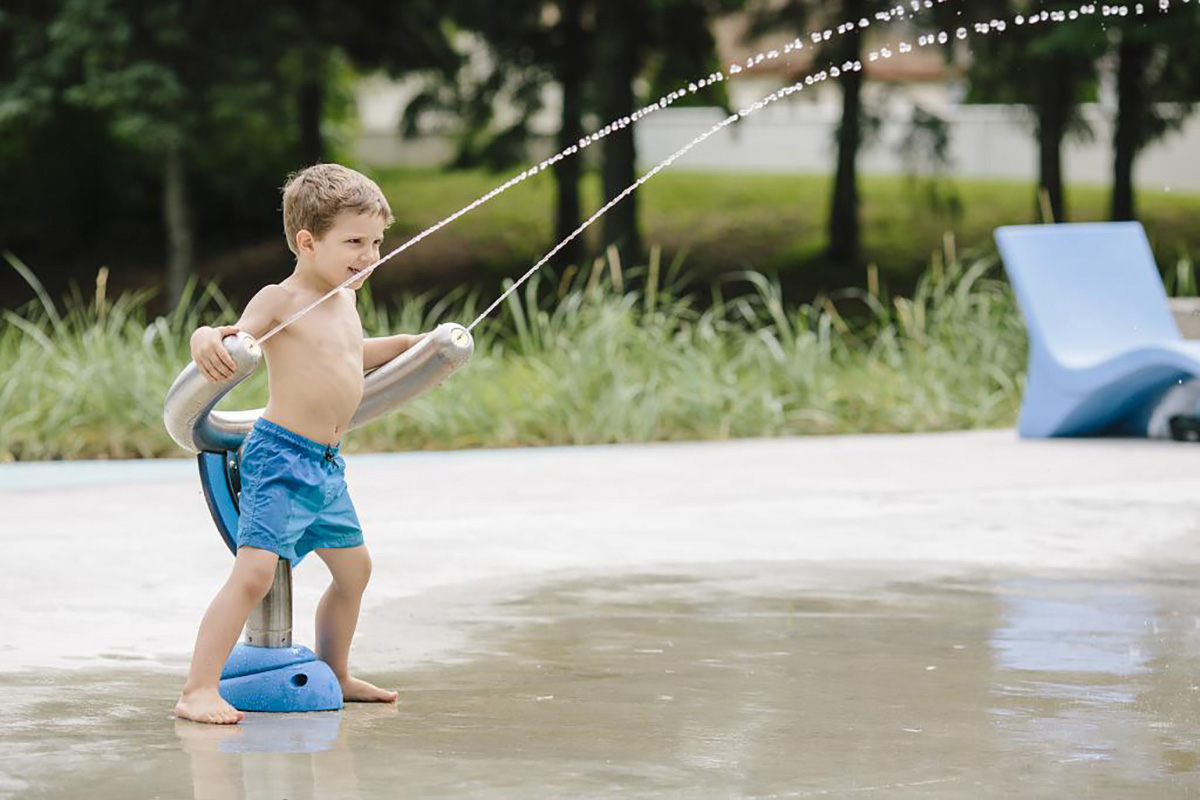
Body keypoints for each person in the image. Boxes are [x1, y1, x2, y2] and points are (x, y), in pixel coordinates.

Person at [174, 163, 425, 724]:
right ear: (308, 242)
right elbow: (234, 336)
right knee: (255, 573)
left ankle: (334, 671)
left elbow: (345, 355)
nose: (371, 255)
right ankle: (197, 689)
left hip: (326, 465)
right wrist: (203, 338)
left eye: (378, 241)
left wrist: (411, 344)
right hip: (280, 457)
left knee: (355, 570)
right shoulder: (281, 299)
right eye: (355, 242)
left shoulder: (345, 298)